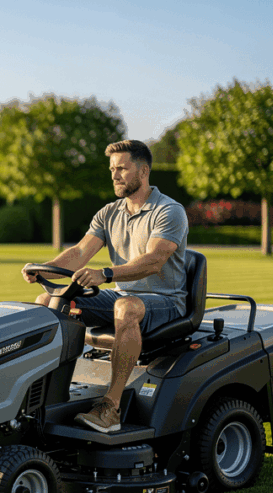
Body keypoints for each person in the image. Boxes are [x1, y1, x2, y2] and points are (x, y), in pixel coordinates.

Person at [22, 139, 188, 433]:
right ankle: (40, 393)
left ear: (144, 171)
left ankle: (111, 408)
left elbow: (153, 261)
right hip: (123, 295)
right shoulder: (109, 212)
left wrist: (106, 273)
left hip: (165, 301)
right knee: (47, 302)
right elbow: (78, 253)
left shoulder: (168, 211)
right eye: (112, 169)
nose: (114, 175)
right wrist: (42, 268)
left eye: (122, 168)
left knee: (126, 306)